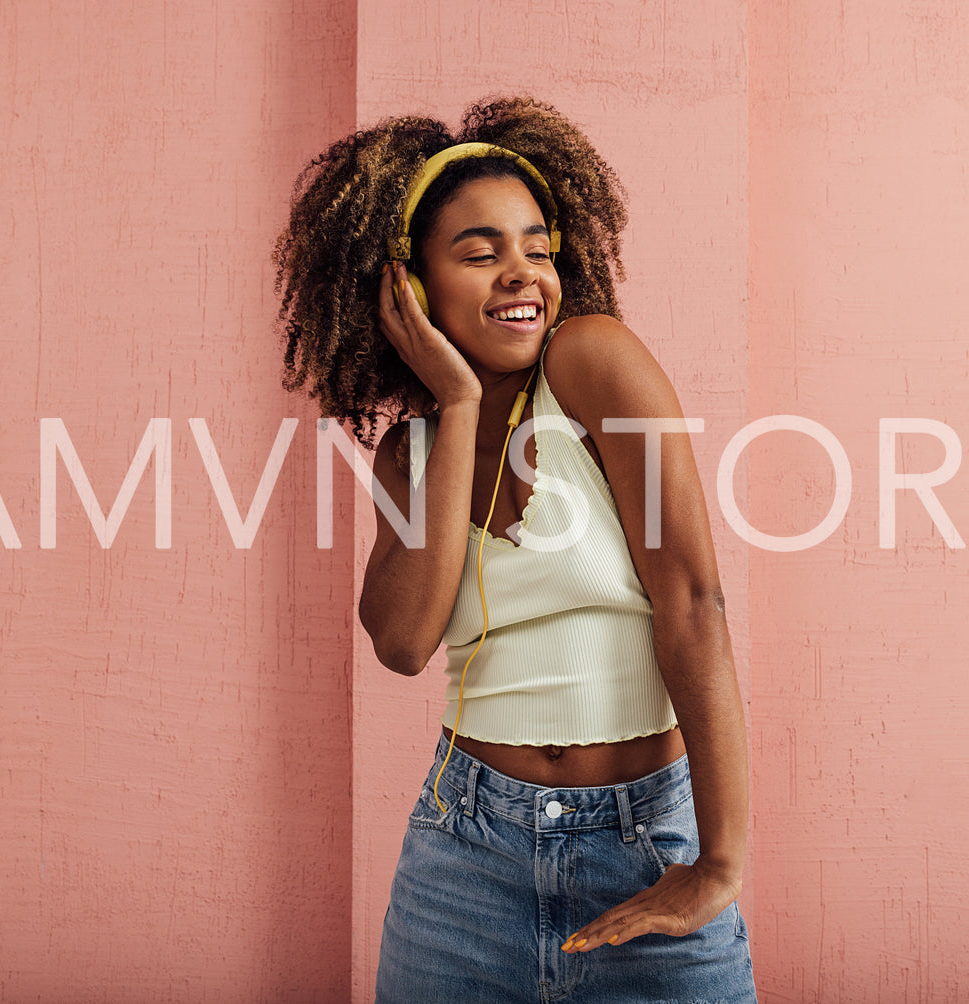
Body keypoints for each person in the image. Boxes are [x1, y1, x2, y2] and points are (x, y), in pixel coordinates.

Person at [275, 96, 756, 1003]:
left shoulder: (592, 361)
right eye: (479, 252)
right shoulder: (410, 456)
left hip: (642, 839)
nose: (521, 275)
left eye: (537, 249)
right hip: (463, 856)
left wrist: (719, 863)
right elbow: (404, 643)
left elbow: (695, 603)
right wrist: (454, 406)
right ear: (406, 286)